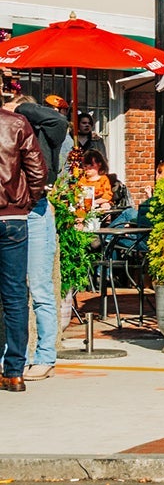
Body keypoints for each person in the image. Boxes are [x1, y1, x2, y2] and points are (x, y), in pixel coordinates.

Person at [1, 87, 65, 380]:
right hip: (16, 211)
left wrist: (20, 109)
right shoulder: (11, 131)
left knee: (39, 288)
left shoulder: (46, 132)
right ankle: (17, 357)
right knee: (15, 289)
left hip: (35, 210)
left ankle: (45, 355)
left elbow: (58, 120)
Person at [0, 103, 47, 393]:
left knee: (15, 295)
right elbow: (38, 171)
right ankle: (15, 371)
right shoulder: (17, 123)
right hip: (13, 217)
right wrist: (25, 203)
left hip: (14, 212)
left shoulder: (17, 123)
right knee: (16, 295)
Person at [73, 149, 114, 218]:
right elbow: (77, 194)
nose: (87, 168)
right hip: (85, 205)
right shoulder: (82, 180)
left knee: (106, 206)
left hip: (100, 203)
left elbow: (107, 196)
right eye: (85, 166)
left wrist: (95, 202)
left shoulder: (103, 179)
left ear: (99, 164)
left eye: (91, 166)